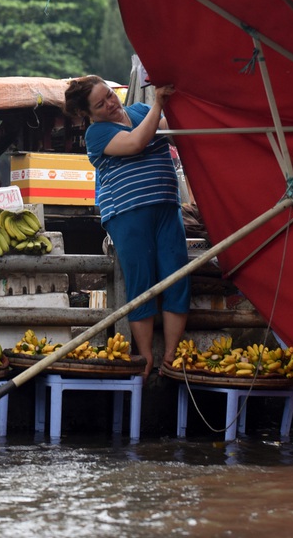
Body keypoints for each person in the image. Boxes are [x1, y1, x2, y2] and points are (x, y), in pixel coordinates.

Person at [64, 75, 190, 378]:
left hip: (166, 206)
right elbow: (135, 143)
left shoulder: (137, 112)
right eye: (101, 103)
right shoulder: (97, 134)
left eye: (109, 95)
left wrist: (166, 106)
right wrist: (158, 103)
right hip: (127, 213)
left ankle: (171, 356)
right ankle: (145, 357)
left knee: (177, 276)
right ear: (88, 114)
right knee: (142, 283)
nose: (111, 103)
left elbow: (169, 130)